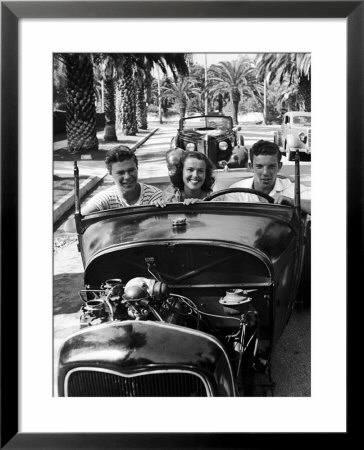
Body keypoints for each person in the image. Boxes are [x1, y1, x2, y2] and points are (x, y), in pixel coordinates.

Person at [63, 146, 162, 231]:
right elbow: (69, 226)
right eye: (121, 172)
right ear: (110, 174)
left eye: (131, 170)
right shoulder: (105, 200)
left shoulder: (153, 196)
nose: (127, 177)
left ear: (137, 168)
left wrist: (160, 211)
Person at [221, 140, 311, 214]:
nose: (265, 173)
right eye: (259, 166)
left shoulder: (291, 189)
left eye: (271, 166)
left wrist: (292, 201)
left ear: (279, 166)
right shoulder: (236, 191)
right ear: (251, 166)